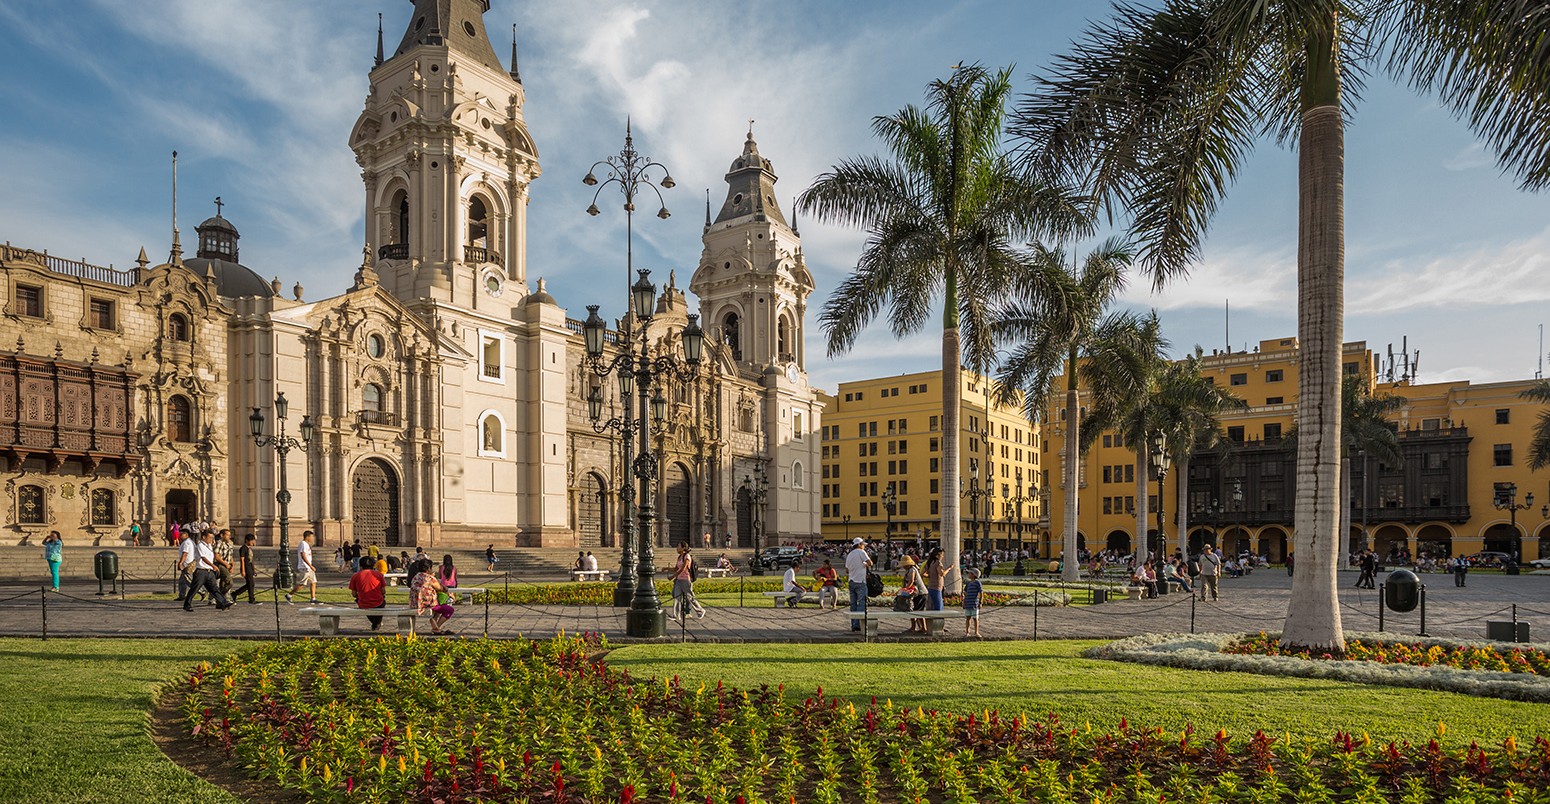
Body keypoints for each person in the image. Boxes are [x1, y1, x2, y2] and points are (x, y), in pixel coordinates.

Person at [183, 531, 232, 611]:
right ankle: (187, 604)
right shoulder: (200, 545)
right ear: (203, 537)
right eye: (209, 537)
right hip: (201, 571)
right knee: (194, 588)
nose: (211, 539)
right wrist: (213, 565)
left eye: (211, 537)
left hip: (209, 571)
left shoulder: (209, 546)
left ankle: (223, 603)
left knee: (214, 589)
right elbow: (203, 558)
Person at [410, 563, 454, 634]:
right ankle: (437, 627)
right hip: (428, 604)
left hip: (415, 603)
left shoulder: (416, 576)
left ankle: (435, 622)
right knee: (449, 610)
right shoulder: (429, 578)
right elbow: (441, 588)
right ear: (428, 569)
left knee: (439, 606)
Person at [667, 543, 706, 620]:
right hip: (679, 580)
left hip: (685, 580)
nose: (676, 548)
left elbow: (683, 569)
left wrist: (672, 576)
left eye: (678, 546)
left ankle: (700, 610)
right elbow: (676, 568)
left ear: (683, 548)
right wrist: (666, 568)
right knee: (676, 597)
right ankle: (676, 615)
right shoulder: (679, 557)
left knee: (690, 597)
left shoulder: (687, 557)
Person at [349, 561, 388, 630]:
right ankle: (376, 623)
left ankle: (376, 623)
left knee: (365, 605)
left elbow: (354, 594)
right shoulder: (379, 574)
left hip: (364, 603)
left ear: (360, 566)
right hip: (378, 602)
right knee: (381, 603)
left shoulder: (355, 576)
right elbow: (383, 591)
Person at [845, 537, 873, 632]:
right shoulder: (861, 552)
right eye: (863, 545)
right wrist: (864, 564)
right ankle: (860, 625)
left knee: (853, 604)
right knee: (861, 603)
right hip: (860, 581)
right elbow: (870, 562)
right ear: (860, 545)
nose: (864, 546)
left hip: (851, 581)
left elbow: (847, 569)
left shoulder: (849, 555)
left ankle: (854, 624)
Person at [285, 531, 319, 604]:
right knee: (303, 584)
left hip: (309, 567)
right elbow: (303, 555)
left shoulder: (307, 544)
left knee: (313, 582)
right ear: (307, 537)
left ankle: (313, 598)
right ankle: (289, 595)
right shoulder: (303, 544)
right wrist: (310, 565)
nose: (313, 538)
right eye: (311, 537)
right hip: (305, 567)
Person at [897, 555, 927, 633]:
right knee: (916, 610)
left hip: (920, 593)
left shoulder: (912, 570)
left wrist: (905, 589)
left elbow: (911, 581)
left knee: (916, 610)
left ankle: (917, 628)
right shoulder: (908, 570)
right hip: (915, 593)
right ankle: (921, 627)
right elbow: (905, 582)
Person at [230, 534, 259, 604]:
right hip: (246, 567)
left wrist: (254, 570)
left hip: (250, 567)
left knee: (249, 584)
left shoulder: (249, 549)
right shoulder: (243, 548)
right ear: (247, 540)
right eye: (251, 540)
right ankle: (251, 599)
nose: (253, 542)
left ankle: (235, 594)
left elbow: (251, 560)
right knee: (251, 583)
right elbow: (242, 560)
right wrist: (242, 570)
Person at [213, 530, 236, 596]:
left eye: (229, 535)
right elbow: (216, 556)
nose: (229, 537)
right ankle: (220, 596)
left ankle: (221, 600)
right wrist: (226, 564)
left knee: (223, 584)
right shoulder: (219, 543)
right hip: (221, 564)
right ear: (222, 535)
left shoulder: (229, 545)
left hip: (228, 565)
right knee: (229, 582)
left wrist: (232, 566)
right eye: (227, 535)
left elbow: (231, 557)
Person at [922, 547, 946, 611]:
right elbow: (942, 574)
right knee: (938, 607)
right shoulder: (938, 563)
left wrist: (930, 576)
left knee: (930, 606)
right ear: (938, 555)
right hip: (937, 587)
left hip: (930, 586)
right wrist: (949, 568)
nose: (942, 556)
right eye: (942, 554)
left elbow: (922, 573)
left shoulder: (929, 562)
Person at [962, 567, 984, 637]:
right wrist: (964, 601)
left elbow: (981, 593)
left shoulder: (977, 583)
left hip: (974, 603)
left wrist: (980, 602)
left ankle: (976, 632)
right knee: (968, 618)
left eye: (970, 573)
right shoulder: (968, 583)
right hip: (968, 603)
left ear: (974, 575)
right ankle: (967, 632)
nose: (968, 574)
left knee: (975, 618)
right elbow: (965, 592)